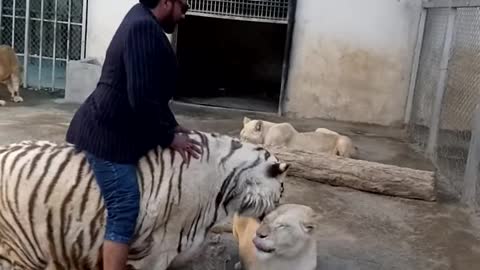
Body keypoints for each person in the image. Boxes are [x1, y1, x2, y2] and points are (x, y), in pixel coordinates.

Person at [65, 0, 201, 269]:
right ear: (166, 2)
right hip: (107, 135)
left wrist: (171, 124)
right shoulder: (142, 28)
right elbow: (140, 99)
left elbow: (149, 92)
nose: (184, 15)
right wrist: (169, 138)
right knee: (125, 206)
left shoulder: (142, 18)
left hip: (117, 126)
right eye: (183, 7)